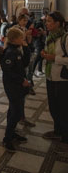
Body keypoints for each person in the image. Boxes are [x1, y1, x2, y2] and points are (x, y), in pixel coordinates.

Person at [41, 11, 68, 154]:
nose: (47, 23)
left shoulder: (65, 38)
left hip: (62, 79)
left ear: (58, 23)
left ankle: (65, 136)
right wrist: (45, 55)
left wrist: (54, 58)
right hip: (50, 76)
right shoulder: (50, 38)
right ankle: (58, 130)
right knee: (53, 106)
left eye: (50, 21)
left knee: (63, 109)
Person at [0, 28, 30, 152]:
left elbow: (25, 63)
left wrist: (26, 47)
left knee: (13, 109)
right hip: (12, 85)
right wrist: (21, 80)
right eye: (21, 38)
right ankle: (7, 139)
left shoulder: (16, 50)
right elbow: (8, 71)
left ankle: (11, 134)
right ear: (14, 39)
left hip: (17, 84)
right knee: (16, 112)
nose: (23, 40)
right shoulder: (9, 52)